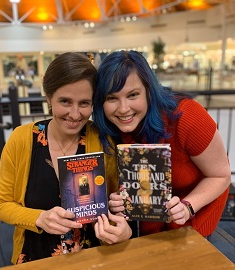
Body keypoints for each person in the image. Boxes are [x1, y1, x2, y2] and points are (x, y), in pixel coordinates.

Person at [0, 52, 131, 265]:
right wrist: (39, 218)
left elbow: (114, 205)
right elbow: (2, 204)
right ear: (48, 97)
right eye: (65, 101)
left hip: (92, 258)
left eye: (84, 103)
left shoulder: (104, 141)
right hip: (35, 257)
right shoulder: (22, 140)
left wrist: (121, 223)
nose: (75, 115)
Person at [92, 50, 231, 238]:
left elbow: (220, 175)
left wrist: (187, 206)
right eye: (112, 98)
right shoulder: (110, 130)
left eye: (133, 95)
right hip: (150, 232)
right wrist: (119, 200)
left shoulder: (187, 117)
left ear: (149, 91)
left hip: (194, 224)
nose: (123, 109)